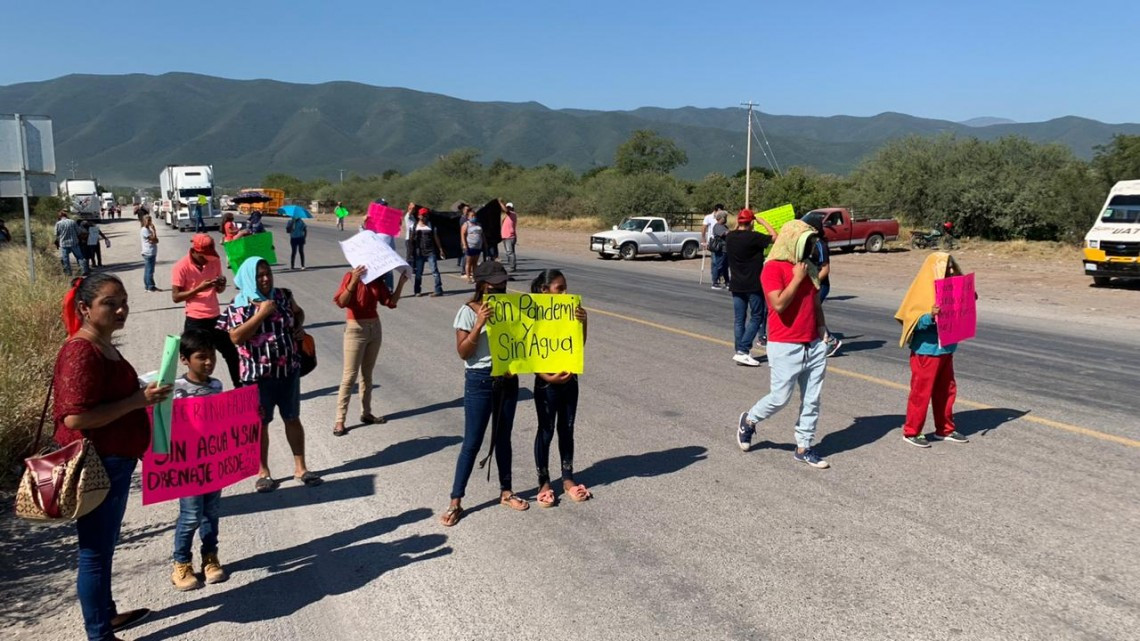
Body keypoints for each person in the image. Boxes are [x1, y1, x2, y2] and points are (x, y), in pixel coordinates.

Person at [53, 273, 172, 640]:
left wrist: (141, 392)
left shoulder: (102, 344)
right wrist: (137, 401)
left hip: (114, 461)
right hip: (96, 465)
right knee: (94, 552)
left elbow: (106, 396)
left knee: (104, 548)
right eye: (109, 303)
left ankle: (106, 614)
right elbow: (75, 418)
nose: (121, 310)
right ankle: (100, 634)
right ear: (85, 308)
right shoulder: (81, 351)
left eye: (123, 302)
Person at [218, 258, 322, 493]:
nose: (266, 279)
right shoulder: (239, 304)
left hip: (287, 371)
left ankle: (301, 468)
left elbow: (298, 313)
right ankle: (263, 472)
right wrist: (261, 313)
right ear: (248, 279)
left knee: (292, 418)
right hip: (257, 377)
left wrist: (298, 326)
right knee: (260, 425)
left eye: (268, 273)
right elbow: (236, 338)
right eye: (259, 276)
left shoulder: (283, 295)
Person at [735, 220, 831, 469]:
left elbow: (815, 302)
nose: (811, 247)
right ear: (792, 241)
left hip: (813, 344)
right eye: (806, 242)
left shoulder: (809, 266)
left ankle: (804, 446)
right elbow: (778, 304)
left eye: (812, 242)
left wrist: (822, 328)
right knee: (780, 398)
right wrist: (797, 279)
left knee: (812, 400)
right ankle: (750, 420)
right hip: (785, 345)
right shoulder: (772, 268)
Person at [441, 261, 526, 526]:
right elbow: (463, 352)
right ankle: (455, 501)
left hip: (507, 378)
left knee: (503, 438)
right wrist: (479, 324)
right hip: (479, 380)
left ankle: (506, 491)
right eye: (494, 286)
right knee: (472, 442)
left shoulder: (510, 309)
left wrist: (514, 365)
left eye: (503, 285)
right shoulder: (467, 311)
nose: (500, 290)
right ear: (481, 285)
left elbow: (519, 342)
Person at [169, 329, 229, 591]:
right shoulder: (175, 390)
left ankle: (210, 557)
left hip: (213, 462)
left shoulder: (216, 386)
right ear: (184, 359)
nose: (208, 362)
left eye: (212, 356)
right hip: (188, 465)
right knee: (191, 515)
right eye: (201, 357)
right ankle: (181, 562)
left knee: (211, 513)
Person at [895, 252, 970, 447]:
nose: (950, 270)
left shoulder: (954, 289)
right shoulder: (922, 290)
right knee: (921, 392)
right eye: (946, 267)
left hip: (946, 348)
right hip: (926, 350)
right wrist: (930, 316)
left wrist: (968, 299)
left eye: (952, 266)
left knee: (947, 390)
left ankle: (945, 429)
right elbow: (912, 320)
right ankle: (912, 432)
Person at [530, 269, 591, 508]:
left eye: (566, 288)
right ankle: (543, 482)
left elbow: (579, 344)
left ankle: (567, 478)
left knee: (567, 429)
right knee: (546, 431)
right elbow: (526, 350)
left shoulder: (570, 311)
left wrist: (583, 322)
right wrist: (547, 376)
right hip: (546, 383)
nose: (565, 293)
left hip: (569, 381)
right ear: (545, 290)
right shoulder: (532, 314)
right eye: (560, 288)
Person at [332, 265, 407, 436]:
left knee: (367, 374)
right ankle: (339, 420)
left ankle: (366, 413)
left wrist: (401, 283)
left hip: (375, 328)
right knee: (349, 376)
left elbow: (390, 302)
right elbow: (342, 302)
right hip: (355, 329)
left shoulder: (376, 280)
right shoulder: (350, 276)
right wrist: (354, 280)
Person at [171, 234, 241, 387]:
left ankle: (239, 387)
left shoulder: (214, 261)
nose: (207, 260)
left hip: (215, 316)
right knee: (197, 359)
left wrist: (221, 285)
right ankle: (198, 390)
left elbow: (219, 290)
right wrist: (199, 288)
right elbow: (175, 297)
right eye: (204, 257)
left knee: (231, 353)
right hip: (195, 320)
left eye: (210, 256)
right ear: (194, 251)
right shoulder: (181, 266)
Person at [725, 209, 770, 367]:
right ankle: (743, 350)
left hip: (736, 284)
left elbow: (735, 230)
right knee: (757, 316)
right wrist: (763, 222)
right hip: (753, 284)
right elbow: (776, 237)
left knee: (739, 319)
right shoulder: (755, 237)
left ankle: (740, 351)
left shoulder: (730, 237)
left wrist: (742, 222)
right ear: (751, 223)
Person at [804, 217, 842, 357]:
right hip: (810, 284)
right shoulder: (808, 243)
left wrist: (814, 282)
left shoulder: (820, 245)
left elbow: (825, 269)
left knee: (812, 312)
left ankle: (831, 341)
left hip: (821, 285)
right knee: (809, 312)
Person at [410, 207, 444, 297]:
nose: (425, 217)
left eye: (426, 215)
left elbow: (436, 238)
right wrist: (410, 253)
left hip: (430, 251)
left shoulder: (431, 225)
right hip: (419, 252)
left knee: (435, 271)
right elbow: (411, 241)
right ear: (419, 216)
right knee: (418, 273)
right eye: (423, 215)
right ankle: (417, 291)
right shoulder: (414, 226)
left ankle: (438, 290)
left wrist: (441, 250)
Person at [56, 211, 89, 277]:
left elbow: (57, 234)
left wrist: (57, 242)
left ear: (60, 217)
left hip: (64, 244)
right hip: (74, 243)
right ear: (66, 215)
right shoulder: (72, 222)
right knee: (80, 257)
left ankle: (68, 273)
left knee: (65, 259)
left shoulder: (58, 223)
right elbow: (78, 232)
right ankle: (84, 271)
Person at [460, 206, 483, 283]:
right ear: (468, 217)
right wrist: (464, 245)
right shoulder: (466, 224)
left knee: (475, 263)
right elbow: (462, 235)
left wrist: (484, 244)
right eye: (472, 216)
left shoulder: (478, 224)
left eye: (474, 216)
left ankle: (475, 277)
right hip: (470, 246)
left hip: (478, 246)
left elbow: (482, 235)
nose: (473, 217)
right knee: (469, 263)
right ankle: (468, 277)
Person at [703, 204, 724, 284]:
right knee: (715, 261)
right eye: (720, 211)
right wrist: (704, 240)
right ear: (716, 210)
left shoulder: (722, 218)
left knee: (721, 260)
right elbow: (703, 229)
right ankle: (715, 279)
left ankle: (719, 275)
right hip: (713, 242)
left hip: (721, 241)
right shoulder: (708, 217)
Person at [709, 210, 729, 289]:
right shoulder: (717, 226)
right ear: (721, 218)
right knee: (719, 266)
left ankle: (727, 282)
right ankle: (715, 282)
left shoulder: (724, 226)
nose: (726, 219)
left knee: (725, 266)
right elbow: (725, 234)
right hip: (721, 249)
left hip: (725, 249)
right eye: (725, 217)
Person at [140, 214, 159, 292]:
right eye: (148, 220)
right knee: (149, 271)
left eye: (150, 220)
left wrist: (154, 237)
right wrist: (154, 231)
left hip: (151, 252)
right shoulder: (144, 230)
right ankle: (150, 287)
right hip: (149, 252)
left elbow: (156, 240)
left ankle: (149, 286)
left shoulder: (148, 229)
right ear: (144, 221)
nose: (150, 222)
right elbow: (154, 240)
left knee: (148, 270)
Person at [501, 202, 519, 272]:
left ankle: (512, 267)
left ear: (512, 208)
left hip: (509, 236)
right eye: (507, 207)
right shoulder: (507, 216)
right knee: (509, 252)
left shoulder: (512, 214)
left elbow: (506, 210)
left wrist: (500, 202)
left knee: (510, 252)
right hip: (505, 236)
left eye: (509, 207)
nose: (508, 208)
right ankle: (511, 265)